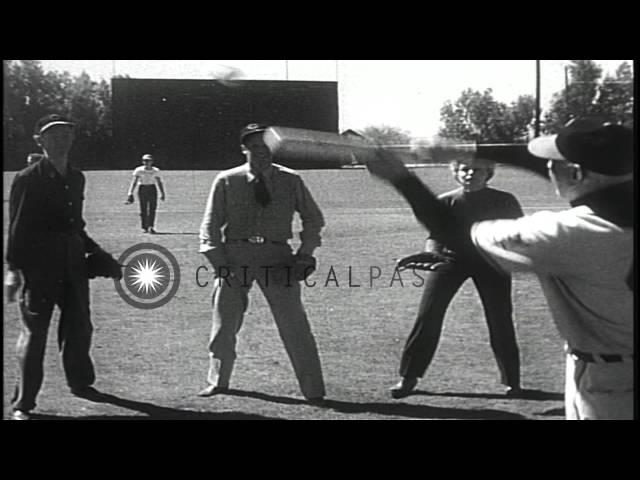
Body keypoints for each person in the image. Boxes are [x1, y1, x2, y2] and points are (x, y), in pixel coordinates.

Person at [366, 117, 633, 420]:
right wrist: (467, 149)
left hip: (611, 385)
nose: (546, 167)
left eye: (553, 163)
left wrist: (402, 179)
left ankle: (509, 378)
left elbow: (456, 232)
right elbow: (579, 175)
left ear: (574, 172)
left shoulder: (566, 233)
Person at [197, 122, 327, 404]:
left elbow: (313, 218)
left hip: (278, 257)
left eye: (267, 146)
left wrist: (305, 255)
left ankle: (313, 390)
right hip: (235, 257)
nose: (262, 152)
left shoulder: (290, 180)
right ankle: (217, 381)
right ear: (244, 149)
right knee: (224, 323)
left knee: (294, 324)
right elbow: (209, 225)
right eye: (255, 147)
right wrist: (218, 261)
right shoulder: (226, 180)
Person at [4, 114, 123, 421]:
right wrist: (13, 270)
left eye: (66, 133)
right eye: (52, 134)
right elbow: (17, 227)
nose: (61, 139)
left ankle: (80, 384)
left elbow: (76, 225)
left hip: (71, 259)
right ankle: (23, 404)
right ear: (39, 140)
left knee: (80, 325)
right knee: (34, 333)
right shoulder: (28, 177)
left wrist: (95, 251)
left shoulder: (76, 177)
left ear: (73, 138)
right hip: (39, 264)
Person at [389, 155, 524, 399]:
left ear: (488, 174)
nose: (470, 174)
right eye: (464, 170)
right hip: (451, 261)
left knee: (500, 318)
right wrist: (431, 254)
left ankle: (512, 381)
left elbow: (519, 233)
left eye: (477, 170)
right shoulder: (447, 201)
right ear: (456, 173)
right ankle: (408, 377)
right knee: (428, 314)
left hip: (492, 263)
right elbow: (436, 235)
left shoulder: (504, 200)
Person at [126, 153, 166, 233]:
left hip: (152, 188)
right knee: (143, 208)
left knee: (152, 208)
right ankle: (144, 226)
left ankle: (151, 226)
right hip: (142, 188)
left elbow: (159, 182)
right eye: (144, 160)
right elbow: (134, 182)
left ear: (152, 161)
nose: (146, 162)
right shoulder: (139, 170)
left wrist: (162, 193)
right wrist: (130, 192)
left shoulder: (156, 171)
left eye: (148, 160)